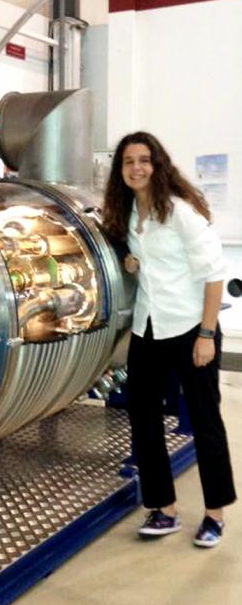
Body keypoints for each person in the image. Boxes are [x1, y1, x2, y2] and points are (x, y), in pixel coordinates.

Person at [102, 131, 236, 548]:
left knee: (204, 422)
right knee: (144, 421)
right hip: (148, 329)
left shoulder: (179, 212)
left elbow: (214, 274)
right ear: (120, 170)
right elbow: (147, 264)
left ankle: (215, 514)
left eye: (144, 160)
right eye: (128, 162)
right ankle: (165, 510)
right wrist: (131, 259)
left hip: (189, 330)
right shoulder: (128, 214)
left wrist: (207, 334)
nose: (136, 168)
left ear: (158, 166)